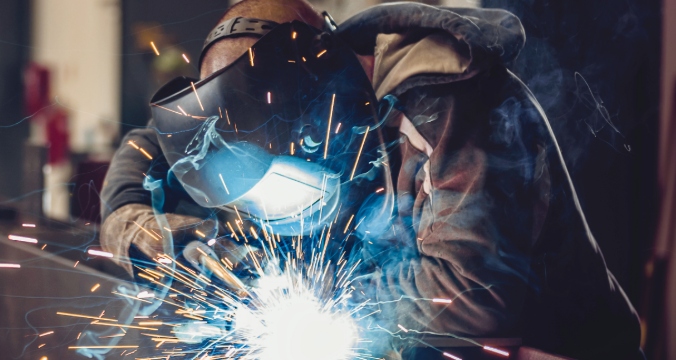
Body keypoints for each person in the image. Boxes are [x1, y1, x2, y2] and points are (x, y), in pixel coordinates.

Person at [98, 1, 643, 358]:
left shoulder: (450, 103)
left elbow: (470, 291)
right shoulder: (279, 108)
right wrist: (128, 213)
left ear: (318, 98)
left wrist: (316, 295)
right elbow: (150, 143)